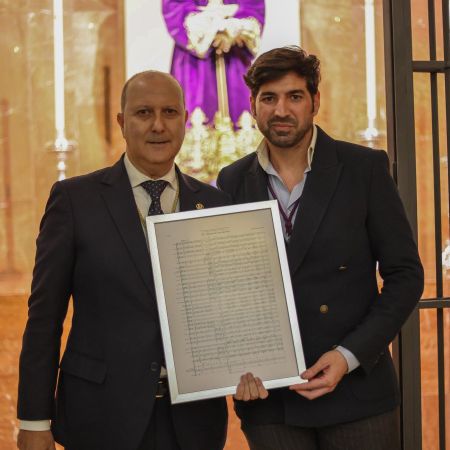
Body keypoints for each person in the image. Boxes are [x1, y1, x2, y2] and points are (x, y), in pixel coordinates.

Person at [217, 46, 424, 450]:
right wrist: (233, 365)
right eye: (269, 98)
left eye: (294, 96)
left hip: (358, 393)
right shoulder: (232, 180)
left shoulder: (363, 169)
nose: (281, 110)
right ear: (253, 104)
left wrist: (348, 355)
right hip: (271, 400)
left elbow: (406, 275)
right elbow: (226, 289)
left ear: (315, 100)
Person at [17, 71, 230, 450]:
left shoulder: (214, 204)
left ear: (185, 119)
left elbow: (229, 309)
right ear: (122, 121)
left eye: (169, 112)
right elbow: (44, 318)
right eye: (144, 113)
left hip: (193, 420)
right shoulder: (75, 201)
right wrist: (34, 419)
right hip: (101, 414)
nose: (158, 125)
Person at [162, 0, 265, 126]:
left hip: (234, 52)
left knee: (242, 121)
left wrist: (233, 28)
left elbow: (253, 6)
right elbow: (175, 8)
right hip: (195, 56)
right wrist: (214, 29)